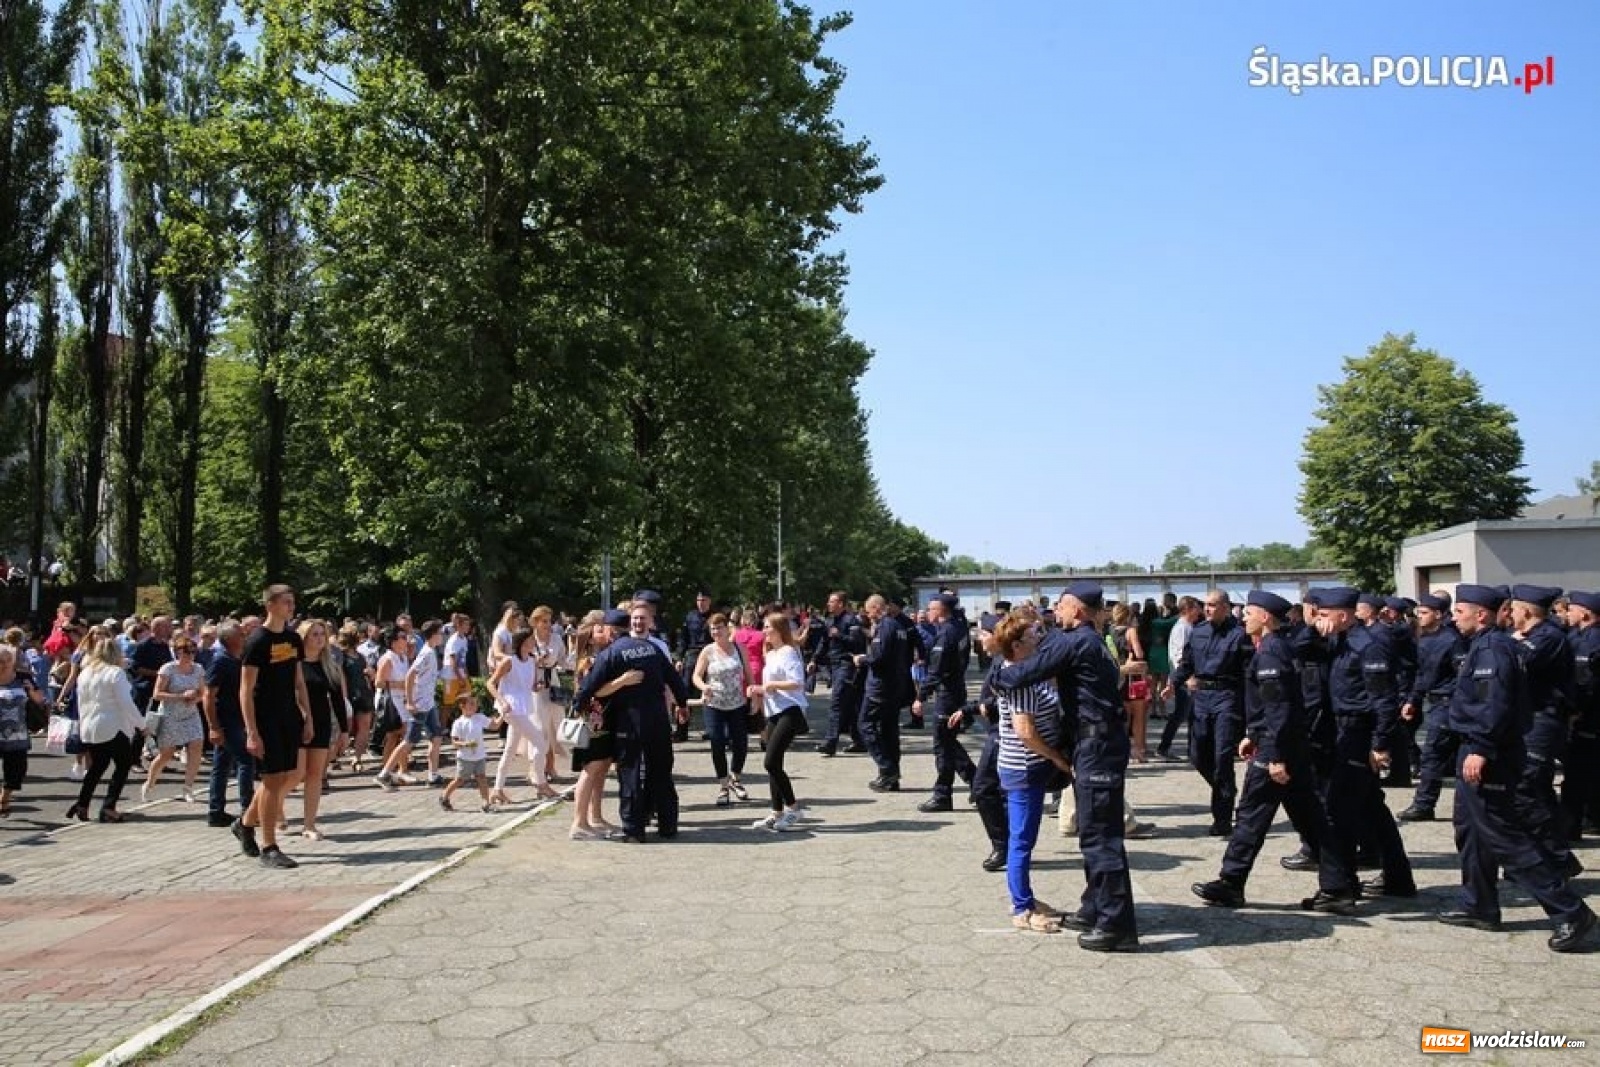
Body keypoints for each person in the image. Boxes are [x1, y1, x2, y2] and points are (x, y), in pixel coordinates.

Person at [1437, 584, 1596, 952]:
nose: (1453, 616)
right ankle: (1479, 904)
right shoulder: (1484, 645)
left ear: (1481, 614)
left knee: (1504, 836)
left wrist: (1481, 747)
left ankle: (1570, 912)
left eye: (1459, 611)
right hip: (1474, 749)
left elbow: (1494, 704)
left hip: (1488, 753)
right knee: (1470, 830)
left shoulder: (1494, 649)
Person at [1191, 592, 1354, 911]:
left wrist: (1275, 755)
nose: (1244, 618)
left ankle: (1231, 881)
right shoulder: (1274, 648)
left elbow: (1279, 708)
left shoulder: (1271, 654)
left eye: (1249, 613)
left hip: (1278, 750)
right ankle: (1339, 887)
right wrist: (1253, 733)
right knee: (1312, 821)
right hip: (1283, 745)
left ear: (1265, 617)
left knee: (1251, 815)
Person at [997, 582, 1138, 952]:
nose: (1055, 613)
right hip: (1096, 741)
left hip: (1097, 744)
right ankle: (1095, 907)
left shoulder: (1075, 641)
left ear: (1077, 609)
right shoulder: (1093, 639)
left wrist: (997, 675)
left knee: (1100, 836)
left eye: (1060, 606)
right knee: (1095, 828)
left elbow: (1025, 672)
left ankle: (1116, 925)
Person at [1306, 586, 1415, 908]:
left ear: (1343, 615)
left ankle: (1340, 889)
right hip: (1342, 731)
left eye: (1324, 615)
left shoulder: (1369, 647)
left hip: (1358, 735)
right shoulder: (1338, 640)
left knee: (1336, 813)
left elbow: (1383, 701)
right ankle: (1399, 878)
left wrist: (1380, 744)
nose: (1320, 621)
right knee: (1372, 809)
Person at [572, 602, 689, 843]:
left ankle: (634, 831)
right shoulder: (652, 649)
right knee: (662, 773)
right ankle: (668, 826)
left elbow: (588, 688)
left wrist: (577, 707)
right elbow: (674, 680)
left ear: (612, 631)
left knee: (631, 775)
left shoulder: (611, 654)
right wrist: (683, 705)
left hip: (629, 722)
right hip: (657, 719)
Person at [990, 606, 1074, 932]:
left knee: (1022, 838)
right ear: (1017, 644)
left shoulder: (1023, 670)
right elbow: (1024, 731)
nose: (1038, 638)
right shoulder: (1021, 679)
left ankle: (1023, 897)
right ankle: (1022, 908)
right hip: (1023, 768)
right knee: (1021, 841)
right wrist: (1054, 757)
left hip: (1026, 767)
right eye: (1032, 635)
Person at [234, 585, 313, 869]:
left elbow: (298, 680)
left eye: (293, 602)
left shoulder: (293, 638)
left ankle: (244, 823)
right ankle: (269, 846)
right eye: (286, 603)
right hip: (265, 717)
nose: (292, 607)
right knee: (271, 779)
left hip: (288, 714)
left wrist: (308, 716)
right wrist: (251, 731)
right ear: (270, 605)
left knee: (288, 776)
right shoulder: (257, 641)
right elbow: (245, 689)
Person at [1507, 585, 1580, 878]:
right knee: (1538, 789)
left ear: (1525, 611)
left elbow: (1520, 662)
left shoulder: (1548, 637)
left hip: (1543, 720)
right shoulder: (1529, 637)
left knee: (1526, 787)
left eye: (1512, 609)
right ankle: (1542, 857)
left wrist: (1511, 643)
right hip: (1530, 720)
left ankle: (1557, 858)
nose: (1509, 615)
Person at [1165, 590, 1251, 835]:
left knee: (1222, 756)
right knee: (1197, 753)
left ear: (1225, 606)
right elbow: (1187, 664)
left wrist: (1249, 709)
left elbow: (1247, 673)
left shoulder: (1239, 635)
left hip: (1227, 697)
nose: (1208, 609)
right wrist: (1173, 682)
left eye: (1213, 605)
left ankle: (1222, 818)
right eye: (1206, 605)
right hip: (1202, 697)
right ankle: (1224, 790)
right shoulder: (1199, 632)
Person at [1398, 592, 1466, 822]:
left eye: (1425, 613)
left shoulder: (1453, 640)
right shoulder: (1424, 640)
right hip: (1434, 702)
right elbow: (1422, 674)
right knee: (1435, 756)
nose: (1420, 616)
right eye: (1419, 612)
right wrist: (1412, 700)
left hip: (1449, 703)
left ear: (1438, 615)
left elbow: (1462, 676)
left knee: (1432, 755)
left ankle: (1424, 804)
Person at [69, 630, 145, 822]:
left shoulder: (85, 673)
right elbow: (126, 703)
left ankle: (82, 803)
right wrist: (141, 725)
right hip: (112, 725)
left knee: (98, 766)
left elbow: (81, 701)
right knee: (123, 764)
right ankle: (109, 806)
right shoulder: (115, 673)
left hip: (90, 725)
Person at [746, 612, 810, 831]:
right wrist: (758, 691)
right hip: (774, 711)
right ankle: (777, 811)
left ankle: (793, 808)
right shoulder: (770, 654)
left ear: (779, 629)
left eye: (768, 627)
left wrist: (772, 686)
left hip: (790, 711)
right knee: (774, 764)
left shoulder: (789, 652)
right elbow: (768, 686)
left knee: (770, 762)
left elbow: (797, 683)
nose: (764, 631)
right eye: (763, 627)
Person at [915, 593, 975, 813]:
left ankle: (942, 795)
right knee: (949, 743)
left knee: (942, 745)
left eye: (931, 608)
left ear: (942, 611)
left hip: (948, 694)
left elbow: (936, 670)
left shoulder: (946, 633)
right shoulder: (959, 628)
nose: (928, 612)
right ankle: (978, 783)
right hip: (956, 690)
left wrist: (921, 696)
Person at [692, 613, 754, 806]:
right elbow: (696, 676)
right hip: (714, 704)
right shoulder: (708, 651)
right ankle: (723, 785)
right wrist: (703, 687)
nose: (716, 632)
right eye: (712, 629)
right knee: (717, 742)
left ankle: (736, 778)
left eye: (719, 628)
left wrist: (755, 697)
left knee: (740, 743)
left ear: (728, 629)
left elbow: (749, 675)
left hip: (737, 703)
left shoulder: (739, 648)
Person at [295, 619, 346, 840]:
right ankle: (275, 812)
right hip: (296, 723)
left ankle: (309, 824)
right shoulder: (294, 664)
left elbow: (338, 700)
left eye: (321, 634)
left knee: (315, 775)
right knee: (293, 774)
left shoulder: (329, 665)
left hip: (322, 722)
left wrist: (344, 731)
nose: (319, 638)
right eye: (314, 634)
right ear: (304, 637)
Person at [142, 634, 208, 804]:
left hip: (191, 714)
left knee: (196, 746)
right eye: (186, 652)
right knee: (167, 754)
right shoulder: (167, 669)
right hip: (170, 715)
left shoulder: (198, 669)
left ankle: (188, 788)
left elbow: (203, 691)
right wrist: (180, 696)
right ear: (178, 652)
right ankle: (149, 783)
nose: (190, 656)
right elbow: (157, 694)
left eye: (193, 652)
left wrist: (196, 698)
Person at [858, 594, 914, 792]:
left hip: (881, 687)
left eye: (868, 609)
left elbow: (879, 657)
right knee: (889, 731)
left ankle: (887, 768)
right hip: (895, 685)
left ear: (877, 607)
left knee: (866, 725)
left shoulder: (886, 626)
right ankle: (890, 777)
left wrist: (862, 659)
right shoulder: (898, 626)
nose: (867, 614)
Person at [202, 621, 254, 828]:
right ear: (229, 639)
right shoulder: (220, 661)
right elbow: (208, 695)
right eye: (240, 634)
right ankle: (248, 808)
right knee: (245, 761)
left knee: (221, 765)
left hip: (237, 717)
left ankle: (216, 811)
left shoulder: (237, 658)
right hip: (227, 719)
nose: (244, 637)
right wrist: (213, 726)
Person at [1561, 591, 1600, 843]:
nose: (1567, 614)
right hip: (1586, 716)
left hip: (1590, 717)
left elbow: (1587, 684)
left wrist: (1575, 712)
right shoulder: (1576, 636)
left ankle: (1571, 826)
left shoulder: (1592, 641)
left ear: (1585, 613)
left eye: (1571, 609)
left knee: (1579, 774)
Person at [812, 592, 866, 756]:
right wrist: (814, 659)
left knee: (836, 703)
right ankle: (860, 741)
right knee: (849, 706)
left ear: (841, 604)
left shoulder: (851, 621)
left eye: (832, 601)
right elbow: (824, 642)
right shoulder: (829, 621)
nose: (828, 604)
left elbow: (857, 643)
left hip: (847, 665)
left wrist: (839, 635)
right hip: (834, 666)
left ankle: (830, 742)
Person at [0, 645, 46, 817]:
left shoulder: (23, 677)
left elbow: (40, 700)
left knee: (17, 771)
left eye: (7, 661)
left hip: (17, 734)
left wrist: (31, 690)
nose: (4, 665)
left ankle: (4, 798)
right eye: (0, 662)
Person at [1155, 596, 1200, 762]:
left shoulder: (1187, 626)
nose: (1199, 610)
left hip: (1183, 675)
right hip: (1184, 676)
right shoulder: (1183, 628)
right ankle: (1165, 747)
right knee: (1182, 713)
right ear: (1187, 608)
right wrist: (1188, 677)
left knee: (1186, 713)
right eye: (1196, 607)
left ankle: (1190, 748)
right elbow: (1181, 654)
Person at [439, 692, 499, 812]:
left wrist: (503, 715)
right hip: (465, 757)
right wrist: (465, 744)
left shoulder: (479, 718)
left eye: (475, 704)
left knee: (482, 778)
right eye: (471, 704)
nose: (474, 706)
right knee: (460, 779)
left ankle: (485, 803)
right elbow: (455, 742)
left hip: (479, 755)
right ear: (462, 706)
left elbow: (494, 726)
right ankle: (444, 797)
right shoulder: (458, 723)